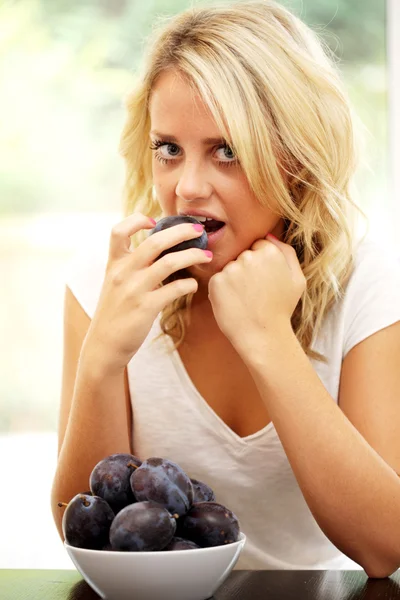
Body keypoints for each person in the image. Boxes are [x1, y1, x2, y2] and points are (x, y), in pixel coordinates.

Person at [51, 0, 400, 576]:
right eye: (169, 148)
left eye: (228, 150)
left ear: (296, 158)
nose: (187, 187)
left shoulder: (363, 283)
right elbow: (85, 534)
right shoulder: (103, 282)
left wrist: (267, 339)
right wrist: (103, 361)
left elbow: (387, 546)